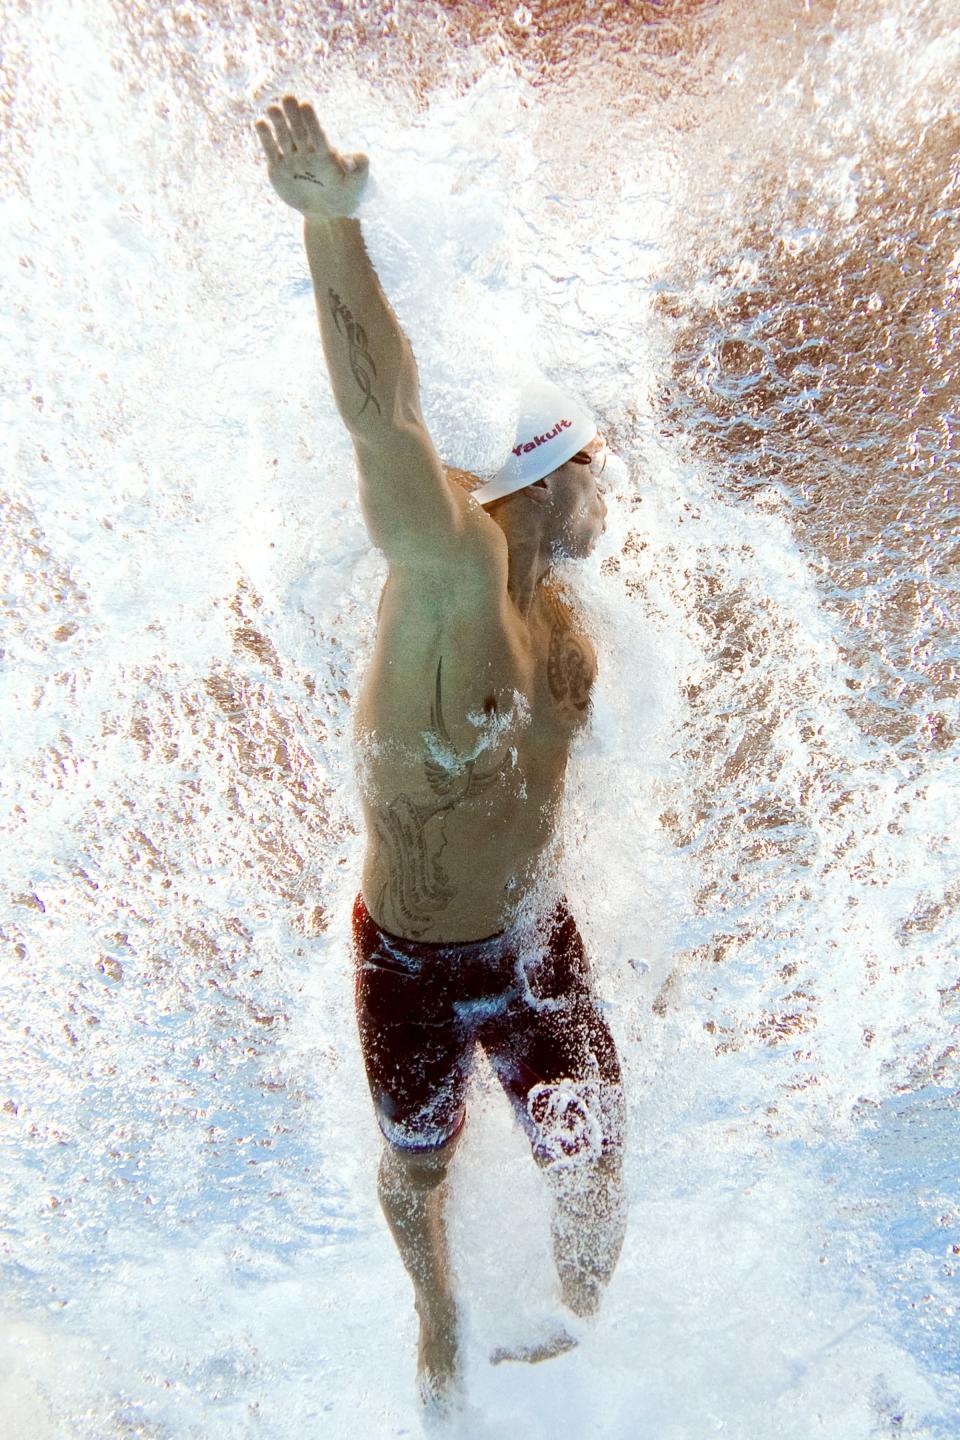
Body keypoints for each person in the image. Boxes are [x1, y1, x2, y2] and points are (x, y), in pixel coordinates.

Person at [255, 96, 626, 1412]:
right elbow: (381, 417)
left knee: (595, 1156)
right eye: (600, 473)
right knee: (415, 1167)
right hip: (407, 956)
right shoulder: (454, 562)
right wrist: (328, 228)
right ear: (546, 479)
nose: (612, 499)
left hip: (527, 941)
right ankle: (436, 1311)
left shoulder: (568, 628)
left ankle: (577, 1340)